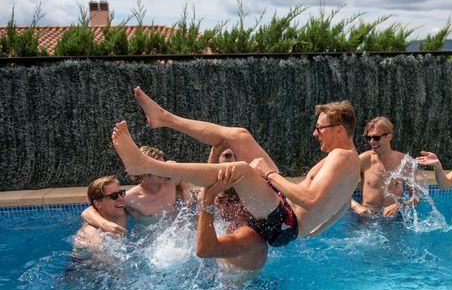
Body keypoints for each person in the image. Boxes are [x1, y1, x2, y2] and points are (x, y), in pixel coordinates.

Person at [111, 86, 360, 247]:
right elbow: (340, 207)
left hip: (286, 222)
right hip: (286, 217)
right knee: (239, 136)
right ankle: (164, 118)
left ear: (339, 130)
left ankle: (145, 164)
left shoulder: (340, 157)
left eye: (320, 128)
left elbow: (312, 199)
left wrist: (270, 174)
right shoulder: (352, 161)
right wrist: (310, 232)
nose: (315, 133)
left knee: (240, 170)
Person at [80, 146, 192, 233]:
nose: (164, 170)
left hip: (181, 234)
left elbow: (181, 178)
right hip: (156, 245)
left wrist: (186, 191)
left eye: (164, 166)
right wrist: (104, 224)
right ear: (143, 170)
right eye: (159, 167)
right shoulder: (130, 198)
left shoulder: (170, 181)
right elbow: (87, 212)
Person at [196, 146, 268, 270]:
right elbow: (203, 193)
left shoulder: (251, 235)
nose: (234, 160)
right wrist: (214, 154)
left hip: (243, 287)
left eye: (237, 155)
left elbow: (204, 250)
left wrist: (209, 198)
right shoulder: (224, 204)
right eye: (228, 156)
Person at [350, 116, 418, 217]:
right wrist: (356, 206)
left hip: (393, 219)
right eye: (369, 138)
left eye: (376, 138)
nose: (372, 142)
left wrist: (399, 205)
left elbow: (416, 197)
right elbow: (340, 189)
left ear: (389, 136)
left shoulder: (405, 163)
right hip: (366, 217)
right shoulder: (363, 160)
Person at [73, 176, 127, 251]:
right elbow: (105, 261)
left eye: (121, 193)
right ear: (98, 203)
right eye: (113, 196)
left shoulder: (121, 214)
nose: (121, 198)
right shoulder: (92, 233)